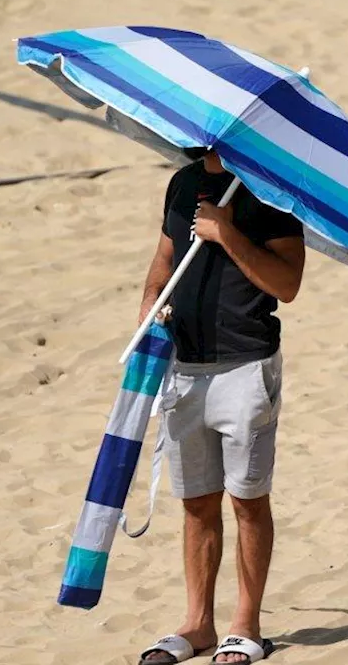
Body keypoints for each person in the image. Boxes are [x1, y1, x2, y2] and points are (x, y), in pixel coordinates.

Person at [136, 149, 306, 664]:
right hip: (184, 366)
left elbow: (288, 284)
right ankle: (198, 624)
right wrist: (149, 302)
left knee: (247, 500)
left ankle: (246, 626)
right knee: (196, 502)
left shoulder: (272, 192)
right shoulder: (182, 184)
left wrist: (227, 232)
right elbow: (163, 261)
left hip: (247, 365)